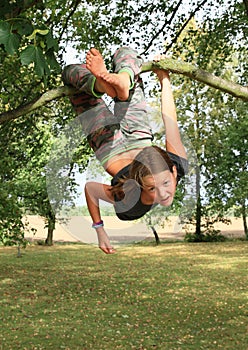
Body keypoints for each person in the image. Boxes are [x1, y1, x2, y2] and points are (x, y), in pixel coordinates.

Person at [62, 47, 188, 254]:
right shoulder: (178, 163)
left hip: (108, 144)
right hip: (137, 135)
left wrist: (99, 229)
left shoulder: (130, 202)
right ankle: (121, 81)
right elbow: (170, 121)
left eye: (152, 189)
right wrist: (164, 79)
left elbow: (91, 189)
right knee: (125, 53)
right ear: (174, 171)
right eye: (164, 183)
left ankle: (101, 84)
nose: (163, 194)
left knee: (70, 73)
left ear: (137, 184)